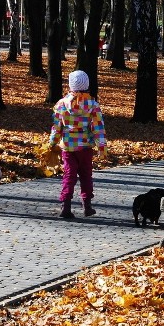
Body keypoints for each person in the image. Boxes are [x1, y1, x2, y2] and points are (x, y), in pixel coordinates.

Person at [48, 70, 107, 218]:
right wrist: (102, 146)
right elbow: (98, 128)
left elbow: (57, 127)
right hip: (86, 147)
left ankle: (65, 206)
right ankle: (87, 206)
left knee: (69, 175)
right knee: (86, 175)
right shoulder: (93, 105)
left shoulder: (61, 104)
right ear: (87, 85)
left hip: (68, 147)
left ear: (70, 85)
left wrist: (52, 143)